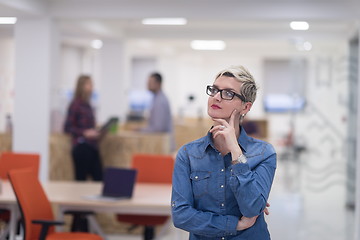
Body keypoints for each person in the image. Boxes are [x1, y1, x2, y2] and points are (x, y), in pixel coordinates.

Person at [171, 65, 276, 239]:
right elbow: (181, 215)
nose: (216, 97)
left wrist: (236, 152)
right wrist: (235, 224)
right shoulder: (188, 154)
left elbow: (252, 208)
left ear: (246, 107)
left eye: (228, 93)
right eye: (214, 90)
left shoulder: (264, 153)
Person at [64, 75, 103, 181]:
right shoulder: (75, 104)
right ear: (81, 86)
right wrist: (85, 133)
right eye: (89, 84)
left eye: (92, 84)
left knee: (99, 179)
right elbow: (67, 127)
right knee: (81, 180)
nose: (92, 87)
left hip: (92, 147)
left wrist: (97, 132)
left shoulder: (88, 105)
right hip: (81, 147)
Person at [141, 72, 175, 151]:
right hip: (162, 144)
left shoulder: (160, 101)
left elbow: (158, 128)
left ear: (158, 84)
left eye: (150, 82)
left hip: (163, 145)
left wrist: (141, 130)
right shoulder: (157, 98)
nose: (147, 85)